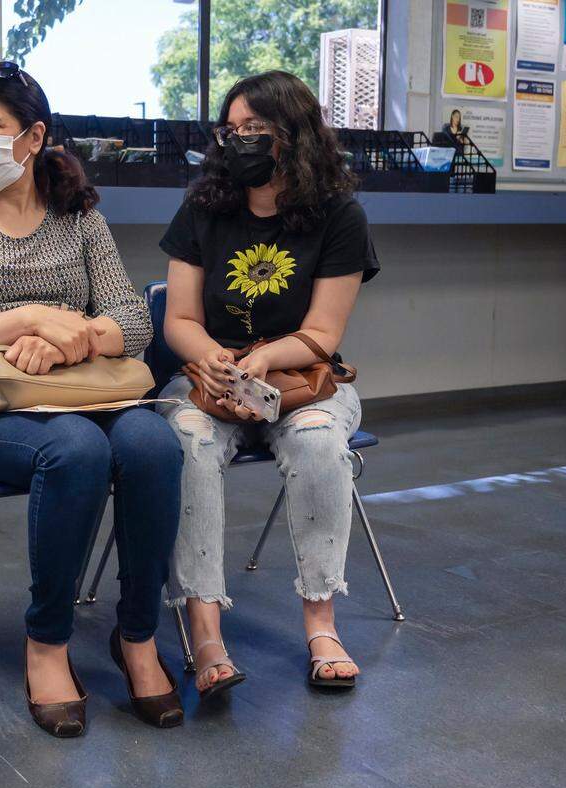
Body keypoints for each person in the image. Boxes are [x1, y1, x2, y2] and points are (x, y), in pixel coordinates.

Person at [0, 61, 185, 738]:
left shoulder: (80, 221)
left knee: (153, 444)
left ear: (32, 139)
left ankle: (138, 637)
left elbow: (136, 322)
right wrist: (28, 319)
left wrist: (69, 342)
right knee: (77, 453)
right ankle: (48, 643)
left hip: (79, 390)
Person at [156, 70, 379, 699]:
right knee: (190, 443)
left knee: (316, 444)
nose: (240, 140)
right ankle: (204, 633)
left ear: (295, 134)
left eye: (257, 128)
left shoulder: (340, 215)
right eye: (231, 130)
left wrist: (259, 362)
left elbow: (323, 335)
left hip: (302, 380)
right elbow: (179, 320)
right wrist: (218, 364)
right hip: (211, 378)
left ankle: (322, 625)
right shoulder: (203, 209)